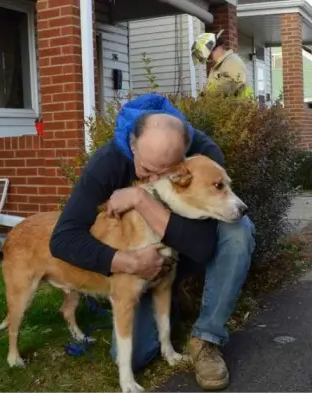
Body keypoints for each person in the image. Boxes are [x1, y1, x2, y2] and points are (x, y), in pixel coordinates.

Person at [49, 93, 256, 391]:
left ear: (186, 153)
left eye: (166, 172)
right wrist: (128, 262)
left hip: (185, 253)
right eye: (147, 170)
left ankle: (207, 338)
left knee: (239, 231)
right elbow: (63, 239)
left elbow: (202, 246)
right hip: (138, 263)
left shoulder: (205, 155)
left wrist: (139, 198)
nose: (156, 180)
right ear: (133, 146)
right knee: (134, 356)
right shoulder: (107, 163)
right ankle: (166, 300)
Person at [191, 29, 254, 98]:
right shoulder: (220, 65)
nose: (209, 60)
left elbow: (236, 82)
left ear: (216, 48)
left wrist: (211, 94)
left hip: (241, 106)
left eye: (209, 56)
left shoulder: (231, 61)